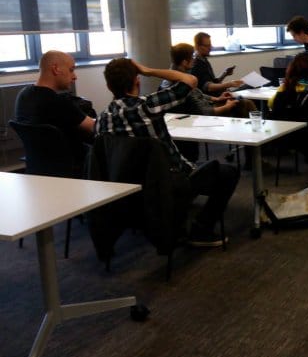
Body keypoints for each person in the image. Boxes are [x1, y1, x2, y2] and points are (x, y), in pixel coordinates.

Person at [96, 58, 240, 247]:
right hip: (169, 180)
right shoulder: (147, 105)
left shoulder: (102, 119)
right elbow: (190, 80)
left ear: (108, 86)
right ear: (137, 80)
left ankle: (172, 216)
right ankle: (201, 229)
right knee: (228, 173)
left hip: (132, 187)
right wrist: (148, 70)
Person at [15, 50, 96, 175]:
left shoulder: (23, 95)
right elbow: (95, 127)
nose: (75, 76)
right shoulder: (58, 102)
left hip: (37, 168)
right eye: (71, 70)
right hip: (70, 170)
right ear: (56, 69)